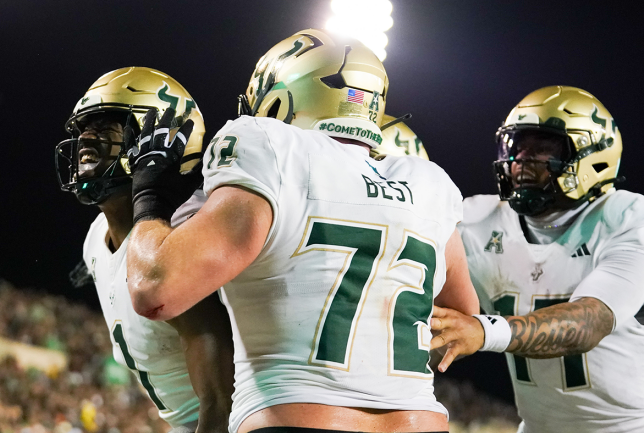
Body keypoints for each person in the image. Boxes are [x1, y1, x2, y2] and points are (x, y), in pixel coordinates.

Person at [123, 29, 479, 433]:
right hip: (421, 422)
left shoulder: (271, 146)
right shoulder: (430, 180)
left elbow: (155, 290)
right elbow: (461, 320)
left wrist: (150, 194)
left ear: (280, 98)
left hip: (294, 418)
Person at [430, 86, 644, 432]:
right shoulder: (477, 220)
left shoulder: (628, 218)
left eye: (542, 148)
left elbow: (587, 323)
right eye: (517, 147)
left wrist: (484, 331)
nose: (520, 160)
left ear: (593, 155)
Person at [55, 67, 234, 433]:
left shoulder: (184, 232)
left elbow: (222, 400)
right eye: (84, 129)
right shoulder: (97, 237)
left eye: (106, 128)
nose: (86, 140)